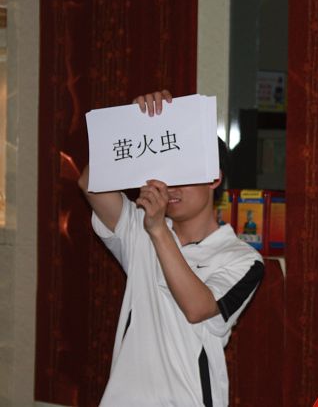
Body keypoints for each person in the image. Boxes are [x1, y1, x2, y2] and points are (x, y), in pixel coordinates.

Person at [78, 90, 264, 406]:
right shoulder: (139, 226)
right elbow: (88, 182)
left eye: (183, 173)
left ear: (214, 178)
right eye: (165, 174)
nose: (171, 187)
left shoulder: (243, 259)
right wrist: (133, 126)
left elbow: (197, 307)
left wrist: (158, 232)